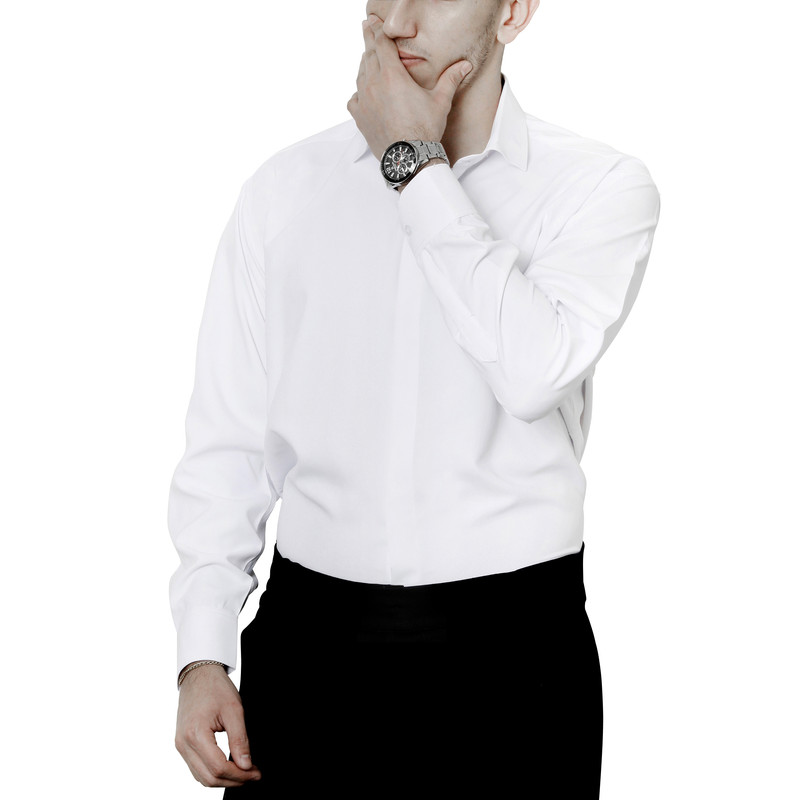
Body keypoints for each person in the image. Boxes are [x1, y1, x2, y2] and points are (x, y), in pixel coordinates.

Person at [168, 1, 661, 796]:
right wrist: (202, 654)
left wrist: (413, 165)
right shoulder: (284, 191)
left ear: (512, 11)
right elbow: (229, 443)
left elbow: (532, 372)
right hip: (309, 651)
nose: (395, 19)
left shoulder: (596, 188)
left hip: (514, 659)